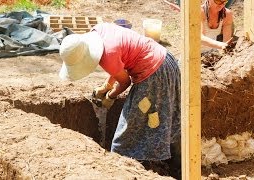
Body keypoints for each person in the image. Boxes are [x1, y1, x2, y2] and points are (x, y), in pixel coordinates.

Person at [58, 23, 181, 177]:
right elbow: (117, 63)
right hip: (165, 60)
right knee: (160, 117)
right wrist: (106, 86)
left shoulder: (107, 56)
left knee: (127, 133)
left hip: (155, 76)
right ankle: (176, 163)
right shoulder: (99, 30)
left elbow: (125, 81)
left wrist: (111, 96)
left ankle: (123, 171)